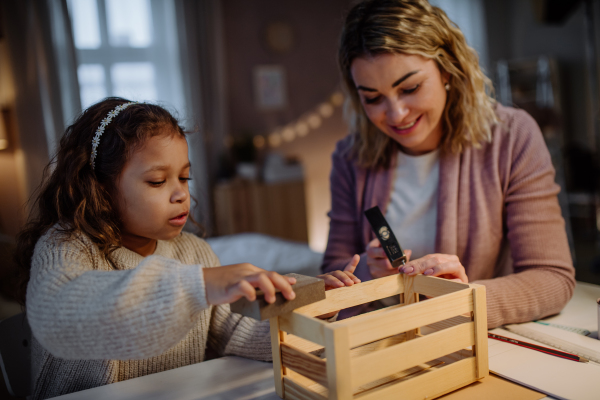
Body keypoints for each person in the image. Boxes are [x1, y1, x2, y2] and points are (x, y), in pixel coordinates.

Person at [14, 98, 360, 400]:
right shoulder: (65, 246)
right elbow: (57, 315)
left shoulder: (193, 252)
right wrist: (200, 285)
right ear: (101, 188)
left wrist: (312, 312)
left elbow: (231, 335)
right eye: (157, 181)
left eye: (184, 177)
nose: (180, 193)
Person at [321, 0, 575, 328]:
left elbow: (553, 279)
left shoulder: (512, 137)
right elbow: (331, 273)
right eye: (372, 98)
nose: (396, 114)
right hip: (379, 339)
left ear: (446, 70)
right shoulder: (349, 157)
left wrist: (465, 298)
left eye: (410, 88)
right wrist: (369, 274)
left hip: (472, 341)